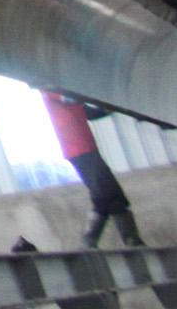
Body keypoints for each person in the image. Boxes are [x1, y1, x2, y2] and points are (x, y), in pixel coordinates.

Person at [45, 90, 144, 248]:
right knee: (108, 195)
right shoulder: (51, 90)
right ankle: (124, 240)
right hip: (79, 150)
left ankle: (96, 242)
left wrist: (111, 108)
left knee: (107, 197)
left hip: (86, 149)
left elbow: (89, 113)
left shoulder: (64, 93)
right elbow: (73, 98)